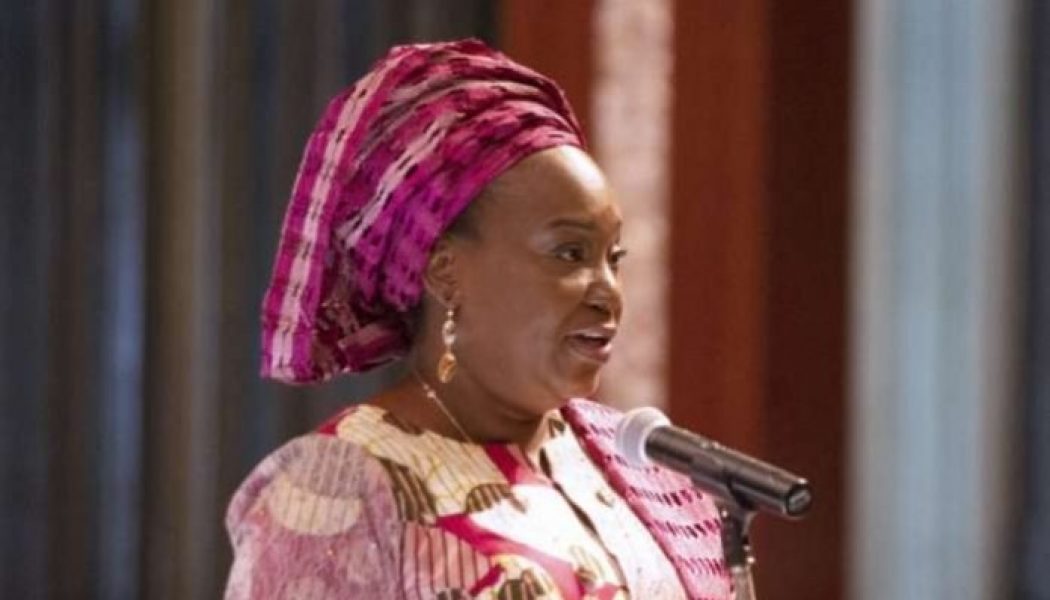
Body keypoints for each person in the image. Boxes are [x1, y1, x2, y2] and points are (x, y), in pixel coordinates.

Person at [224, 39, 732, 599]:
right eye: (570, 254)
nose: (608, 292)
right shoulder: (342, 484)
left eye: (614, 259)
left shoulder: (638, 467)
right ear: (445, 272)